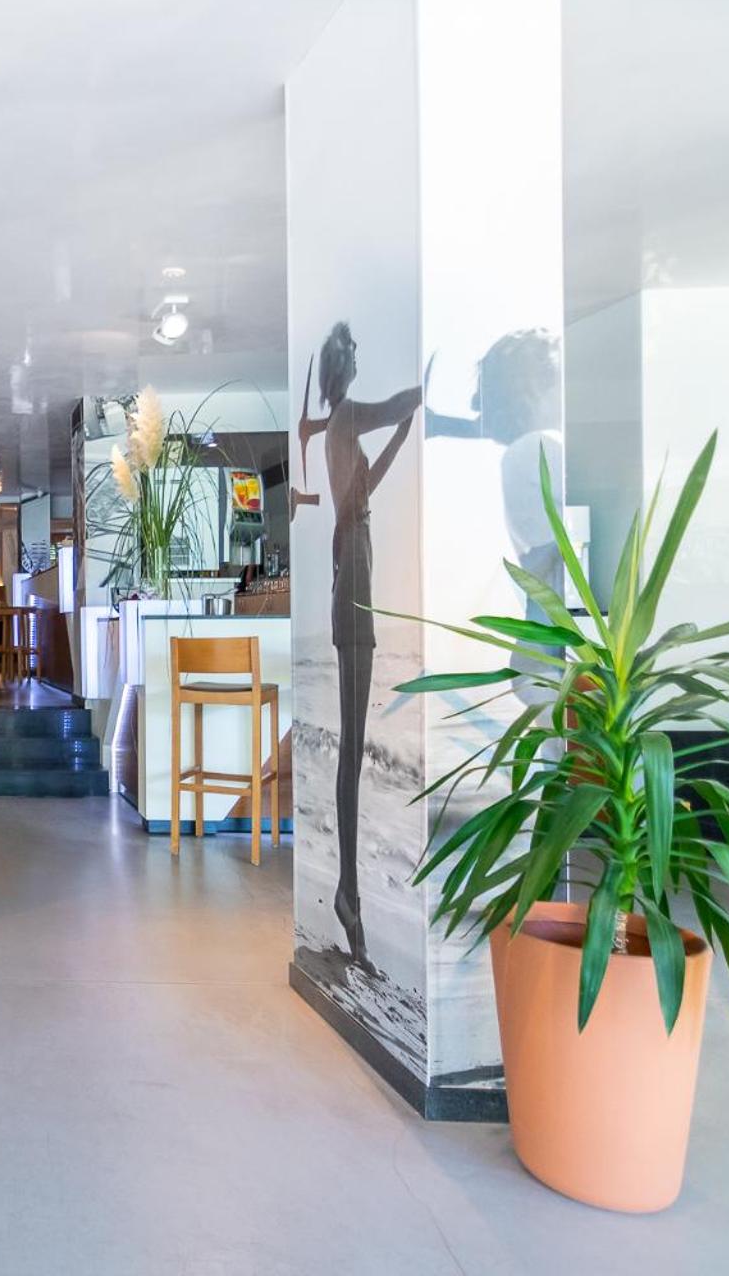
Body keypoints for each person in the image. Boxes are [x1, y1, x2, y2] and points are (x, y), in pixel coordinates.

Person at [294, 321, 419, 971]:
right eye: (354, 351)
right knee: (350, 749)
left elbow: (363, 495)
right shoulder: (344, 417)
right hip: (355, 588)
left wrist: (400, 436)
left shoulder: (340, 430)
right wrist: (422, 392)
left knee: (351, 746)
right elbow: (393, 403)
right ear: (341, 367)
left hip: (355, 573)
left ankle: (349, 890)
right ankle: (349, 893)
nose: (360, 356)